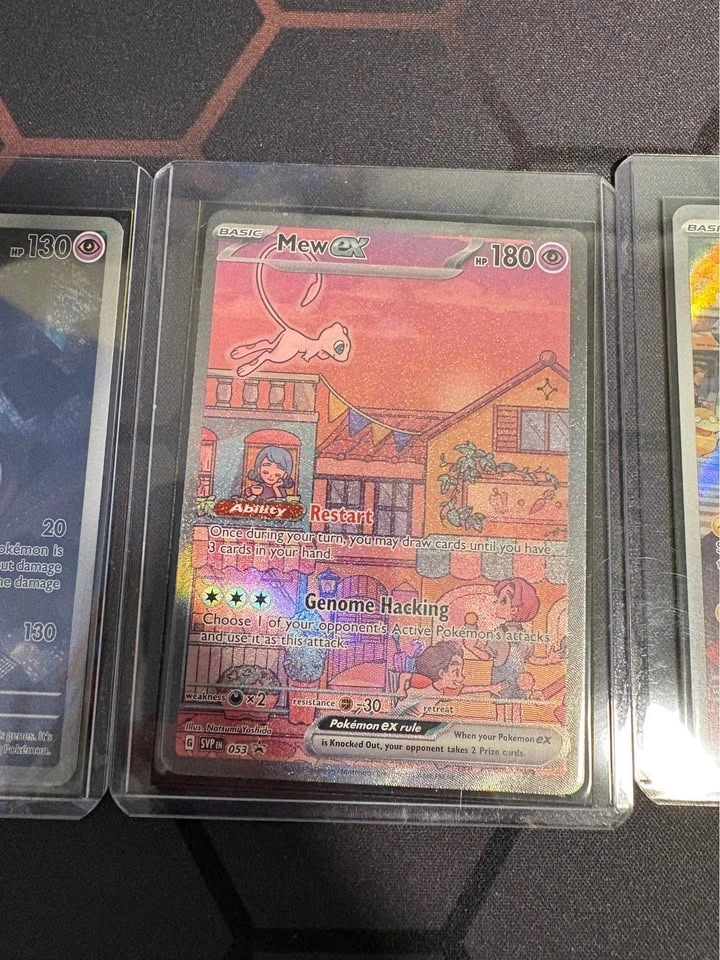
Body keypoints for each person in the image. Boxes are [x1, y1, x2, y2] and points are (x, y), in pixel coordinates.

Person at [394, 641, 507, 717]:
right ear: (442, 673)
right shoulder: (425, 682)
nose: (461, 678)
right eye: (456, 672)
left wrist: (489, 688)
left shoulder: (444, 692)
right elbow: (404, 676)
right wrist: (401, 689)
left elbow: (465, 690)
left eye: (460, 672)